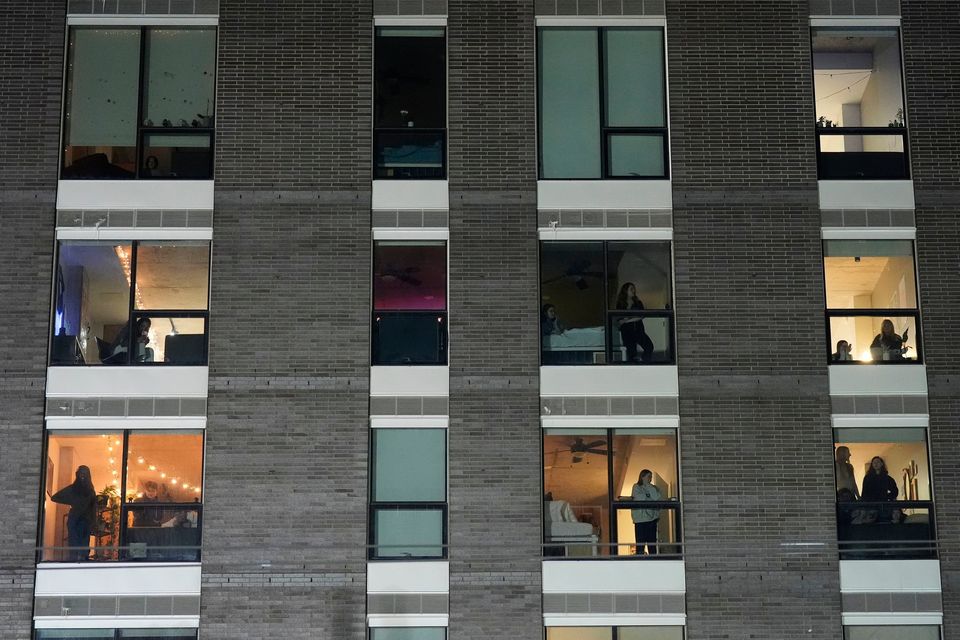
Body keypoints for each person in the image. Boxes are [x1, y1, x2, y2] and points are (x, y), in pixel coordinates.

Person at [50, 465, 97, 561]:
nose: (82, 475)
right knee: (74, 545)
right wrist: (71, 501)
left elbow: (93, 508)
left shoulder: (90, 491)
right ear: (78, 474)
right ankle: (74, 562)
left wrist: (93, 523)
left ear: (88, 475)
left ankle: (81, 563)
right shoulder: (73, 489)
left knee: (83, 546)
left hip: (85, 521)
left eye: (85, 473)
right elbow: (54, 497)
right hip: (75, 520)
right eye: (81, 473)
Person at [615, 283, 654, 363]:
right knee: (632, 353)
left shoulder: (638, 303)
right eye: (631, 289)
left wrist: (627, 320)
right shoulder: (621, 304)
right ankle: (634, 369)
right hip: (627, 332)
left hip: (638, 330)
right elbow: (619, 319)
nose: (634, 291)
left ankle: (644, 362)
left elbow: (641, 316)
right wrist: (629, 319)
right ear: (626, 291)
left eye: (634, 289)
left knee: (649, 346)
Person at [631, 469, 662, 555]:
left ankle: (654, 563)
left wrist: (648, 487)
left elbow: (657, 498)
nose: (650, 479)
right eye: (649, 476)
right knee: (640, 545)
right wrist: (649, 496)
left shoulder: (653, 487)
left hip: (652, 520)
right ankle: (640, 564)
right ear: (642, 477)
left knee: (652, 546)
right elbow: (638, 498)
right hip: (640, 520)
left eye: (651, 477)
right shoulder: (636, 487)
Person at [861, 456, 900, 523]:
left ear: (882, 464)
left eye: (878, 462)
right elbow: (864, 493)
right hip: (871, 505)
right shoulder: (867, 478)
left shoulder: (887, 478)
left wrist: (886, 497)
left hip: (883, 505)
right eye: (874, 463)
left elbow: (895, 491)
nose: (876, 464)